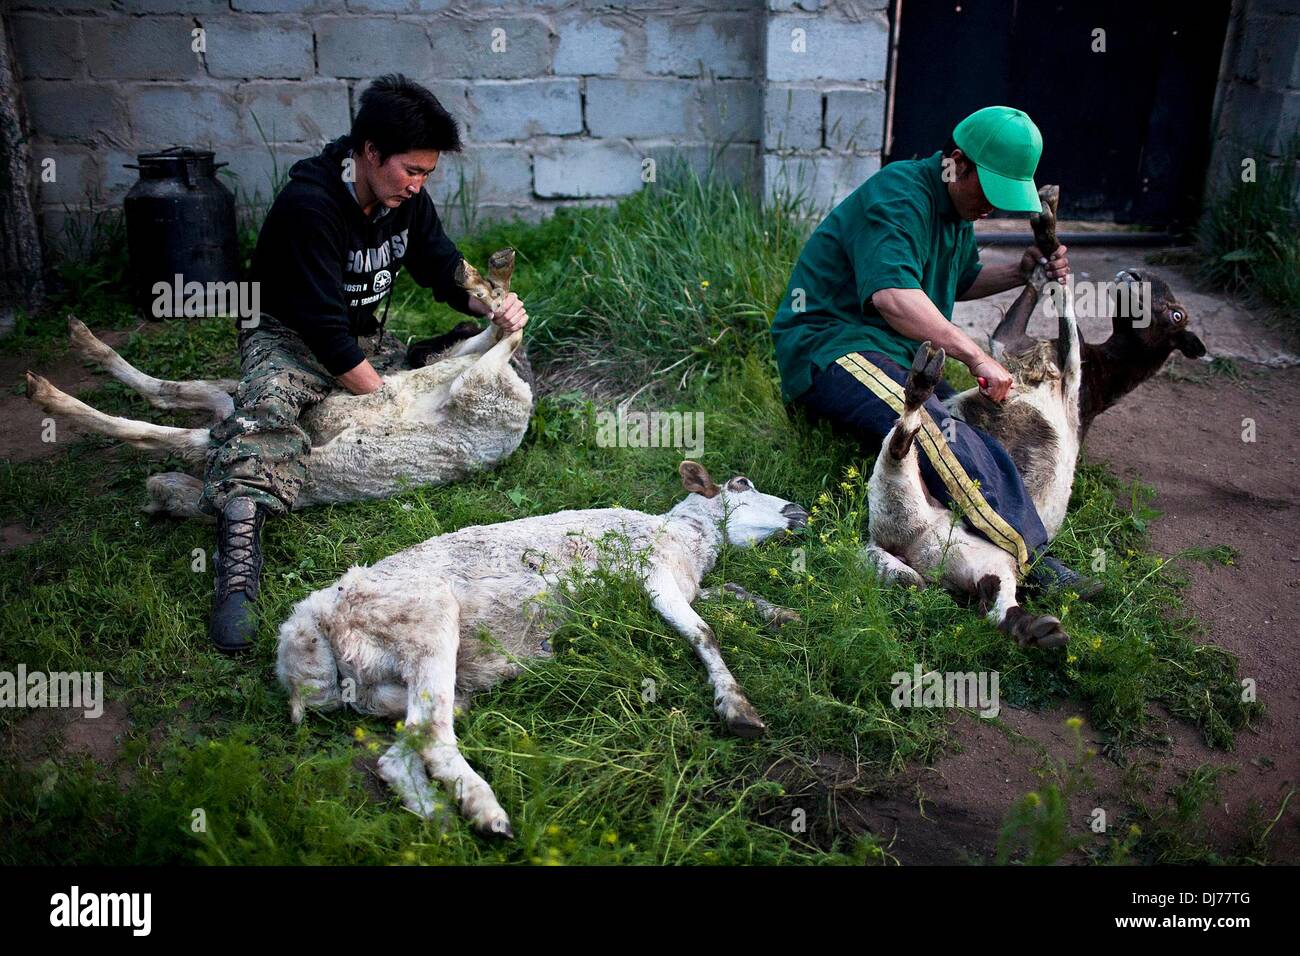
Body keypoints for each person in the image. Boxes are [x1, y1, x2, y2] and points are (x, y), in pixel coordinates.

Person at [202, 74, 528, 653]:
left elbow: (442, 264)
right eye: (412, 170)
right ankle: (238, 556)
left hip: (364, 338)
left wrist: (492, 303)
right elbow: (325, 335)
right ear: (370, 152)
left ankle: (399, 372)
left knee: (461, 352)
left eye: (428, 173)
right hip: (290, 337)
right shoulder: (310, 206)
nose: (419, 184)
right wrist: (389, 403)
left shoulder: (405, 200)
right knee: (265, 418)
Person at [770, 105, 1101, 598]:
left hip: (899, 354)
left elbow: (961, 279)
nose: (993, 206)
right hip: (832, 346)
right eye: (989, 189)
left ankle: (964, 537)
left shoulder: (956, 210)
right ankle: (1031, 561)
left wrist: (1021, 271)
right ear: (957, 162)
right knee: (933, 430)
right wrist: (975, 355)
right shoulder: (899, 194)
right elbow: (893, 297)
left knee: (967, 426)